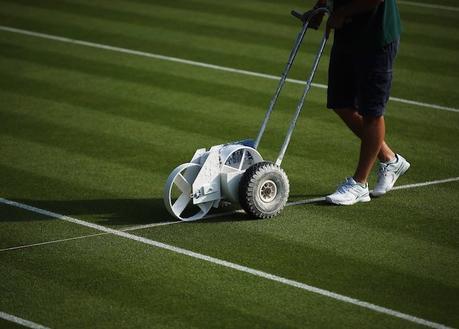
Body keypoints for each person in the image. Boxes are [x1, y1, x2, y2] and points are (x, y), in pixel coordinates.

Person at [307, 0, 410, 205]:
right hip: (348, 34)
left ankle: (359, 184)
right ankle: (390, 160)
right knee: (340, 102)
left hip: (376, 37)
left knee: (372, 111)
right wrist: (319, 8)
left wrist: (341, 11)